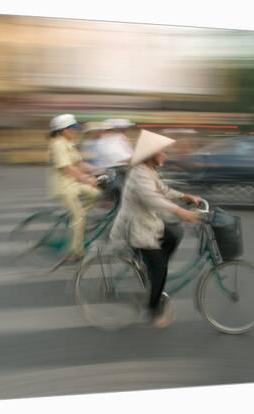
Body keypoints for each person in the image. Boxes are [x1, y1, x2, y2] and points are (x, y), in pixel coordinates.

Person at [109, 129, 202, 328]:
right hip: (136, 228)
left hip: (149, 223)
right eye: (162, 152)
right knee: (160, 268)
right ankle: (152, 311)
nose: (165, 155)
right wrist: (180, 211)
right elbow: (151, 198)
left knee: (175, 233)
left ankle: (152, 269)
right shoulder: (140, 173)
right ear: (152, 155)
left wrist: (185, 196)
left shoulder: (149, 170)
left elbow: (163, 190)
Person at [48, 114, 102, 262]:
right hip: (64, 186)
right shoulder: (57, 144)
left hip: (74, 183)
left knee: (96, 193)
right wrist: (86, 178)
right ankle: (75, 251)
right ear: (62, 129)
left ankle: (77, 218)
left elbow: (79, 164)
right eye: (72, 128)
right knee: (79, 217)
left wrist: (98, 169)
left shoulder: (69, 143)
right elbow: (67, 168)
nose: (74, 131)